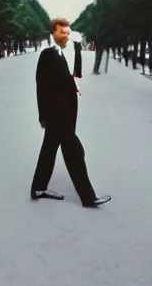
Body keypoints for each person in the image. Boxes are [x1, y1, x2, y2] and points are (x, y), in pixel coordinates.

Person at [30, 17, 111, 208]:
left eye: (67, 32)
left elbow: (74, 79)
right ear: (52, 33)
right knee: (74, 151)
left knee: (49, 150)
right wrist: (42, 116)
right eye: (61, 32)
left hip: (68, 109)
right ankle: (88, 197)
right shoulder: (47, 55)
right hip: (56, 112)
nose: (65, 36)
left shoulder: (71, 52)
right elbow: (41, 87)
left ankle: (38, 188)